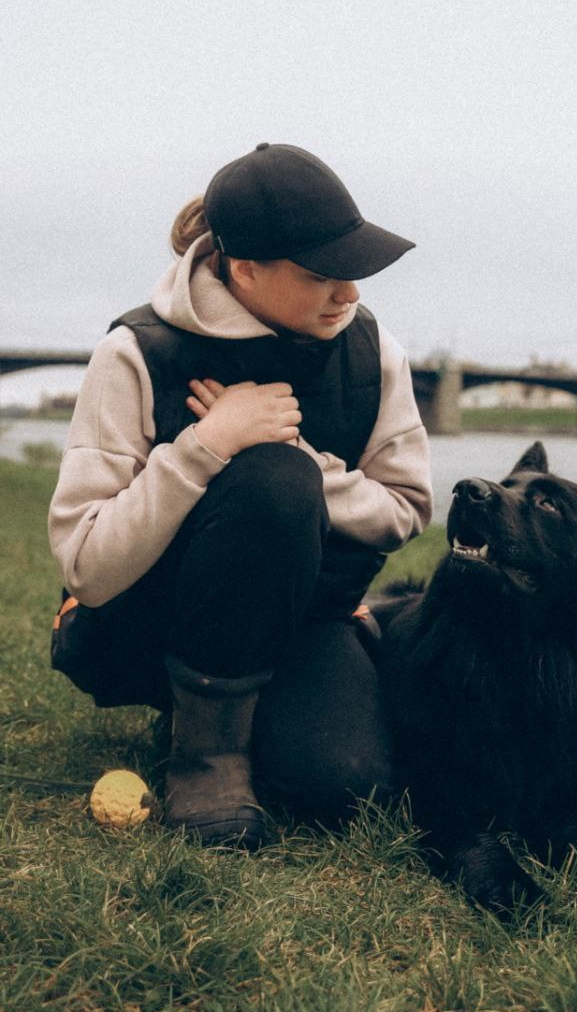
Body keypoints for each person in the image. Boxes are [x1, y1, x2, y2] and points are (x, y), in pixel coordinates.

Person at [48, 142, 432, 849]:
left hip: (301, 624)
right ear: (244, 268)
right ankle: (206, 755)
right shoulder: (135, 351)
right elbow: (88, 568)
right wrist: (205, 448)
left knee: (344, 786)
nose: (348, 295)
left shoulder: (375, 351)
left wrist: (305, 461)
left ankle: (241, 709)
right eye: (323, 275)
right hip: (145, 623)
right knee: (266, 480)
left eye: (356, 272)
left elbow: (405, 509)